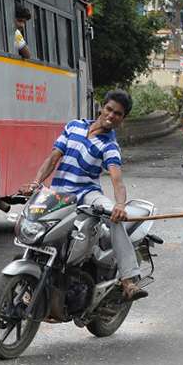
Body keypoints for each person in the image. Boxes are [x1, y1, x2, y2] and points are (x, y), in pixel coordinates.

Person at [21, 90, 148, 301]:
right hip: (59, 195)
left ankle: (128, 280)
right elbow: (53, 159)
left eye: (118, 113)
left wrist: (120, 205)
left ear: (122, 119)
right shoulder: (74, 126)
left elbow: (117, 179)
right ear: (101, 107)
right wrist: (36, 183)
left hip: (87, 194)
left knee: (114, 218)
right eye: (109, 109)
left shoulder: (109, 146)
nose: (111, 115)